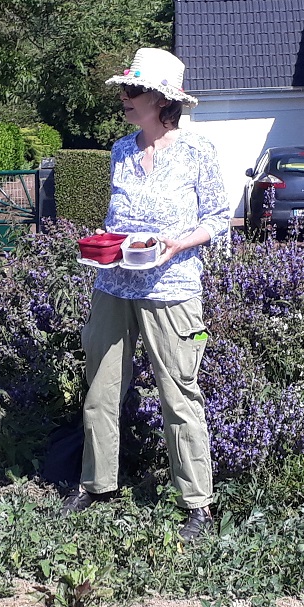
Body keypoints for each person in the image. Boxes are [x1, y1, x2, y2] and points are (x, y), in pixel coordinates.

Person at [68, 48, 229, 539]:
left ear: (163, 101)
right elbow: (118, 220)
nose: (124, 97)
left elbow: (218, 219)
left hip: (173, 287)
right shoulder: (120, 150)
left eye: (133, 91)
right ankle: (98, 487)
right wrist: (108, 246)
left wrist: (179, 244)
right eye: (124, 89)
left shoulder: (198, 150)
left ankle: (197, 503)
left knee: (178, 393)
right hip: (114, 283)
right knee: (100, 388)